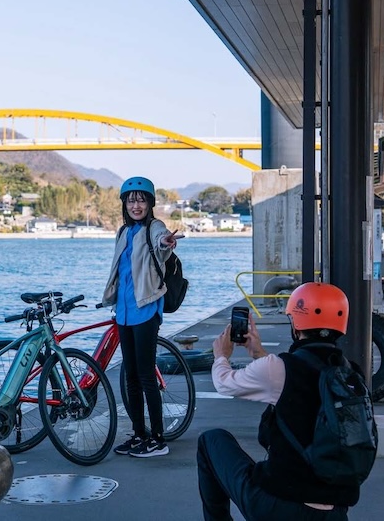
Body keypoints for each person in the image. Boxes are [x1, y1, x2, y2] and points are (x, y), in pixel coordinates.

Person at [197, 282, 359, 520]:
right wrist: (257, 353)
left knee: (211, 440)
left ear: (296, 324)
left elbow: (225, 383)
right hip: (335, 510)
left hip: (280, 506)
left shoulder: (279, 368)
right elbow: (296, 382)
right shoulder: (352, 376)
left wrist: (221, 355)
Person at [102, 176, 182, 458]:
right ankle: (139, 434)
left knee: (147, 376)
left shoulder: (155, 228)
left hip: (146, 310)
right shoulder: (123, 232)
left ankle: (158, 440)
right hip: (123, 312)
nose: (136, 205)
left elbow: (163, 245)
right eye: (131, 199)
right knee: (131, 377)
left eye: (142, 199)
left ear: (150, 203)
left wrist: (167, 243)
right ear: (124, 203)